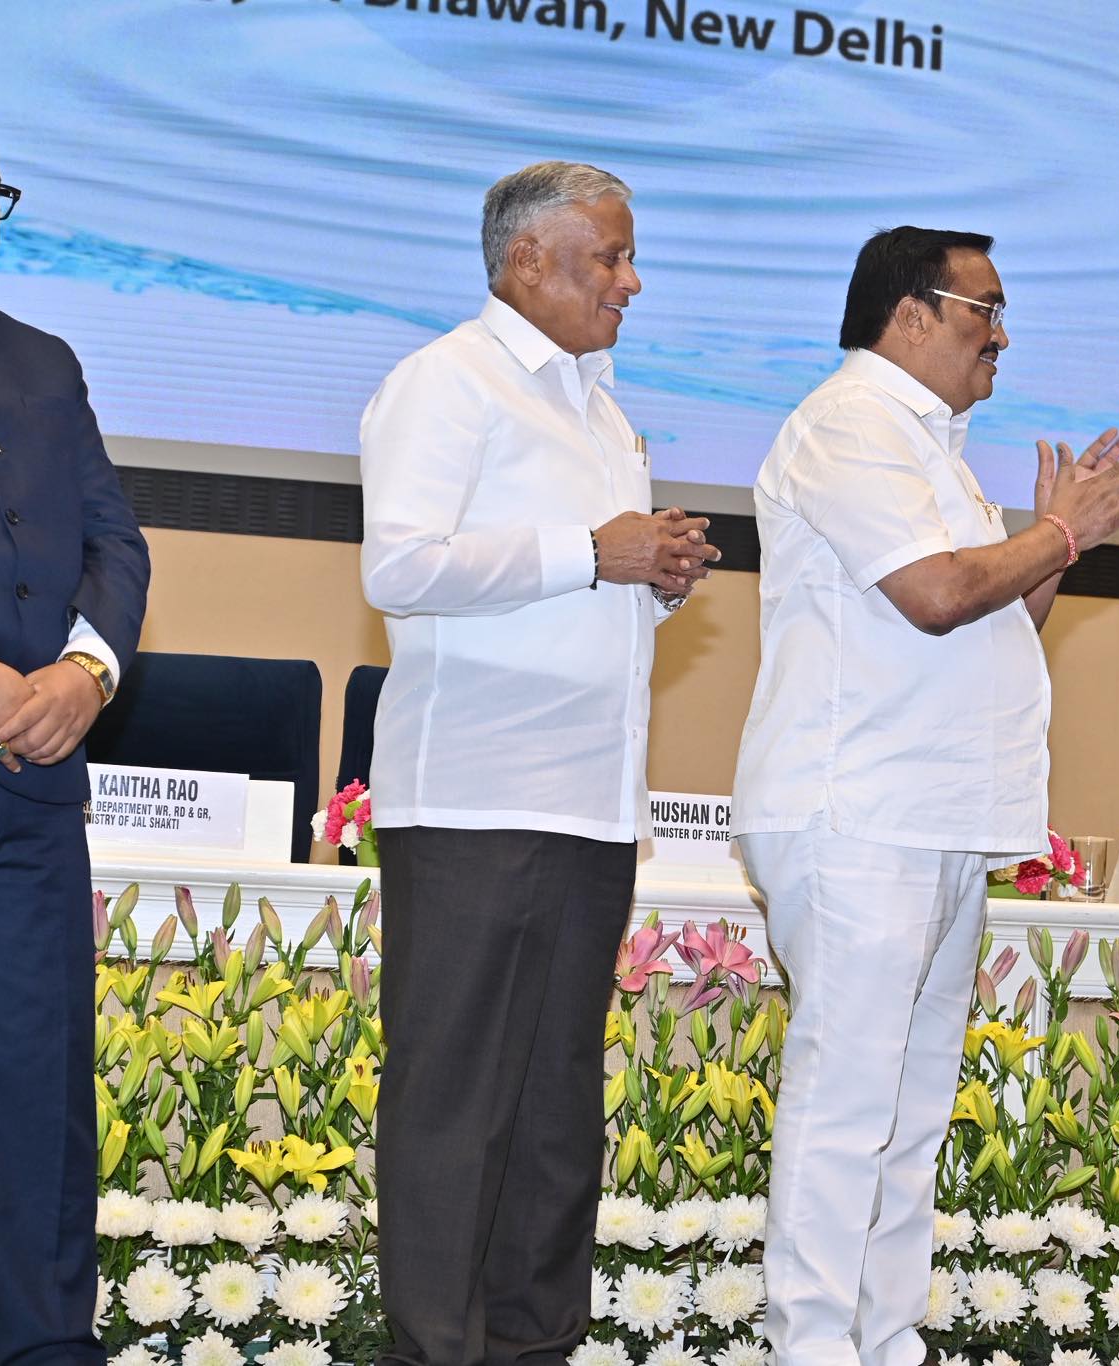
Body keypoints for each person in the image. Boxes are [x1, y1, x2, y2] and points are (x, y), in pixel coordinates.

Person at [731, 225, 1119, 1366]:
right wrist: (1057, 530)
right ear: (912, 312)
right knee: (847, 1102)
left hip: (932, 815)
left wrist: (1054, 549)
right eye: (986, 310)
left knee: (910, 1106)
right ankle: (812, 1349)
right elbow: (934, 594)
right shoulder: (850, 423)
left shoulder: (932, 444)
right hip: (858, 811)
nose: (1001, 336)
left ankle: (886, 1340)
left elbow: (995, 621)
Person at [360, 161, 719, 1365]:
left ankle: (532, 1345)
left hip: (588, 801)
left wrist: (652, 577)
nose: (631, 280)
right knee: (455, 1105)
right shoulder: (445, 381)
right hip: (474, 796)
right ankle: (434, 1349)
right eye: (609, 256)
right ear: (525, 260)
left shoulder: (604, 411)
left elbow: (586, 576)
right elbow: (399, 567)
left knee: (556, 1112)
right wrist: (591, 551)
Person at [0, 85, 150, 1365]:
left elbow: (115, 542)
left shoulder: (43, 360)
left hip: (24, 798)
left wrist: (85, 671)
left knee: (38, 1121)